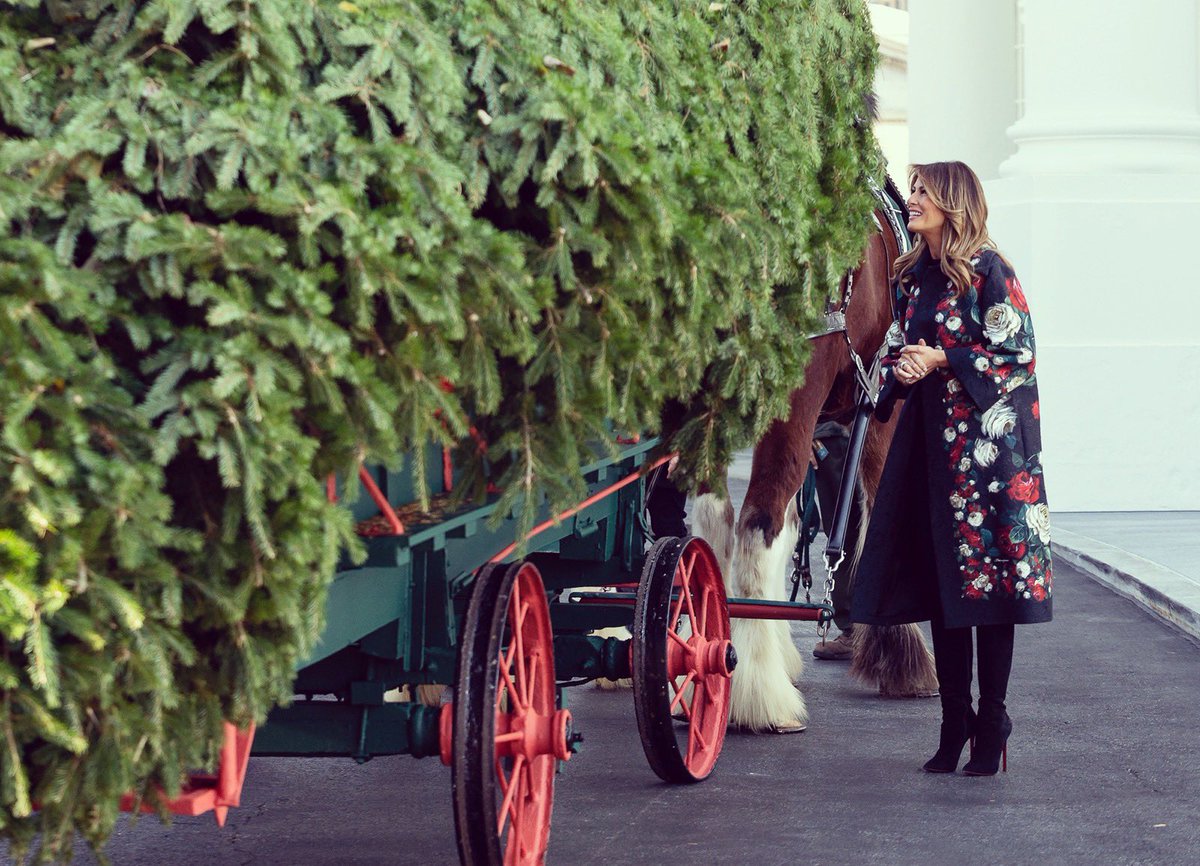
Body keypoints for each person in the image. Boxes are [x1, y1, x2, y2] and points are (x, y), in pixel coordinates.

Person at [851, 161, 1052, 776]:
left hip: (989, 463)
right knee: (944, 589)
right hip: (930, 455)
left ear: (953, 202)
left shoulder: (992, 271)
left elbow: (1017, 357)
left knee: (987, 594)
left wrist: (942, 358)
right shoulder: (914, 277)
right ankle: (953, 722)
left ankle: (991, 722)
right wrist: (903, 372)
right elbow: (895, 355)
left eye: (921, 192)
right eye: (910, 191)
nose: (910, 200)